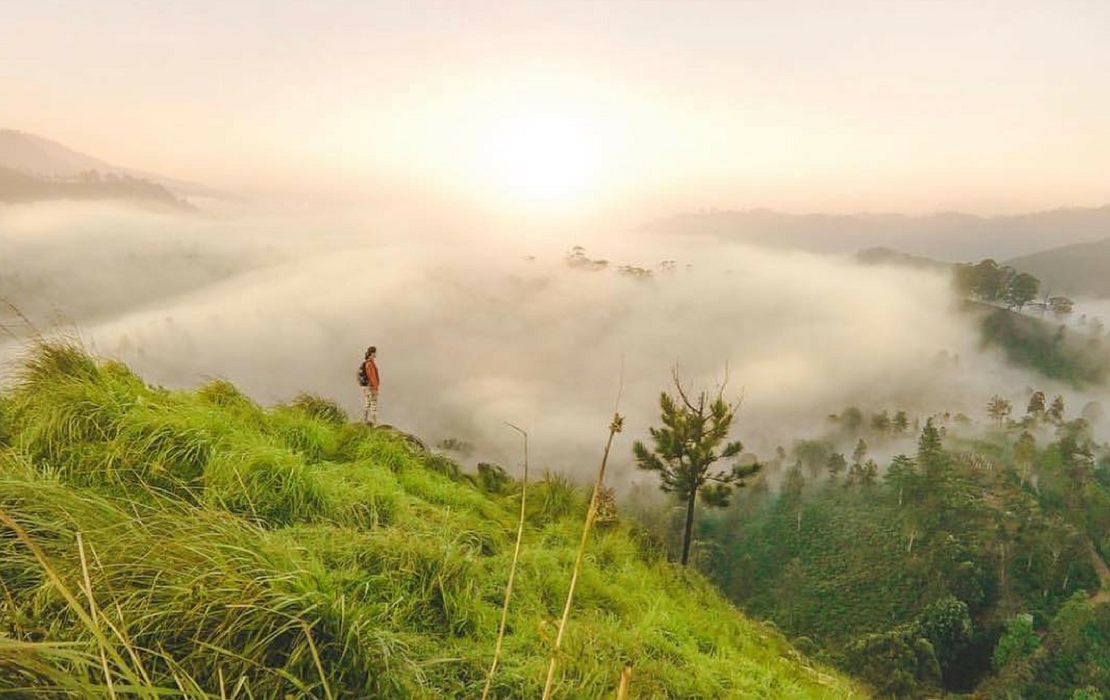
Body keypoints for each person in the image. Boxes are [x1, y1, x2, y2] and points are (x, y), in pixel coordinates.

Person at [360, 346, 381, 424]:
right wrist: (375, 388)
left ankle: (365, 419)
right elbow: (371, 376)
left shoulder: (368, 363)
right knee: (373, 404)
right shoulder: (370, 364)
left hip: (367, 387)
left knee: (367, 403)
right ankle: (374, 422)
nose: (376, 354)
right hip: (371, 387)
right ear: (372, 353)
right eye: (375, 352)